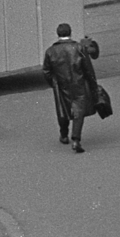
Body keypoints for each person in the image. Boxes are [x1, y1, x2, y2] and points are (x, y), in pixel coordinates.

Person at [43, 22, 98, 152]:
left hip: (61, 85)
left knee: (63, 110)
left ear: (57, 34)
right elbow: (88, 69)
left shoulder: (50, 51)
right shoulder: (79, 48)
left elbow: (46, 71)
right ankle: (76, 139)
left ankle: (63, 134)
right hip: (78, 83)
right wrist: (93, 85)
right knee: (79, 111)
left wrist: (53, 83)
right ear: (70, 33)